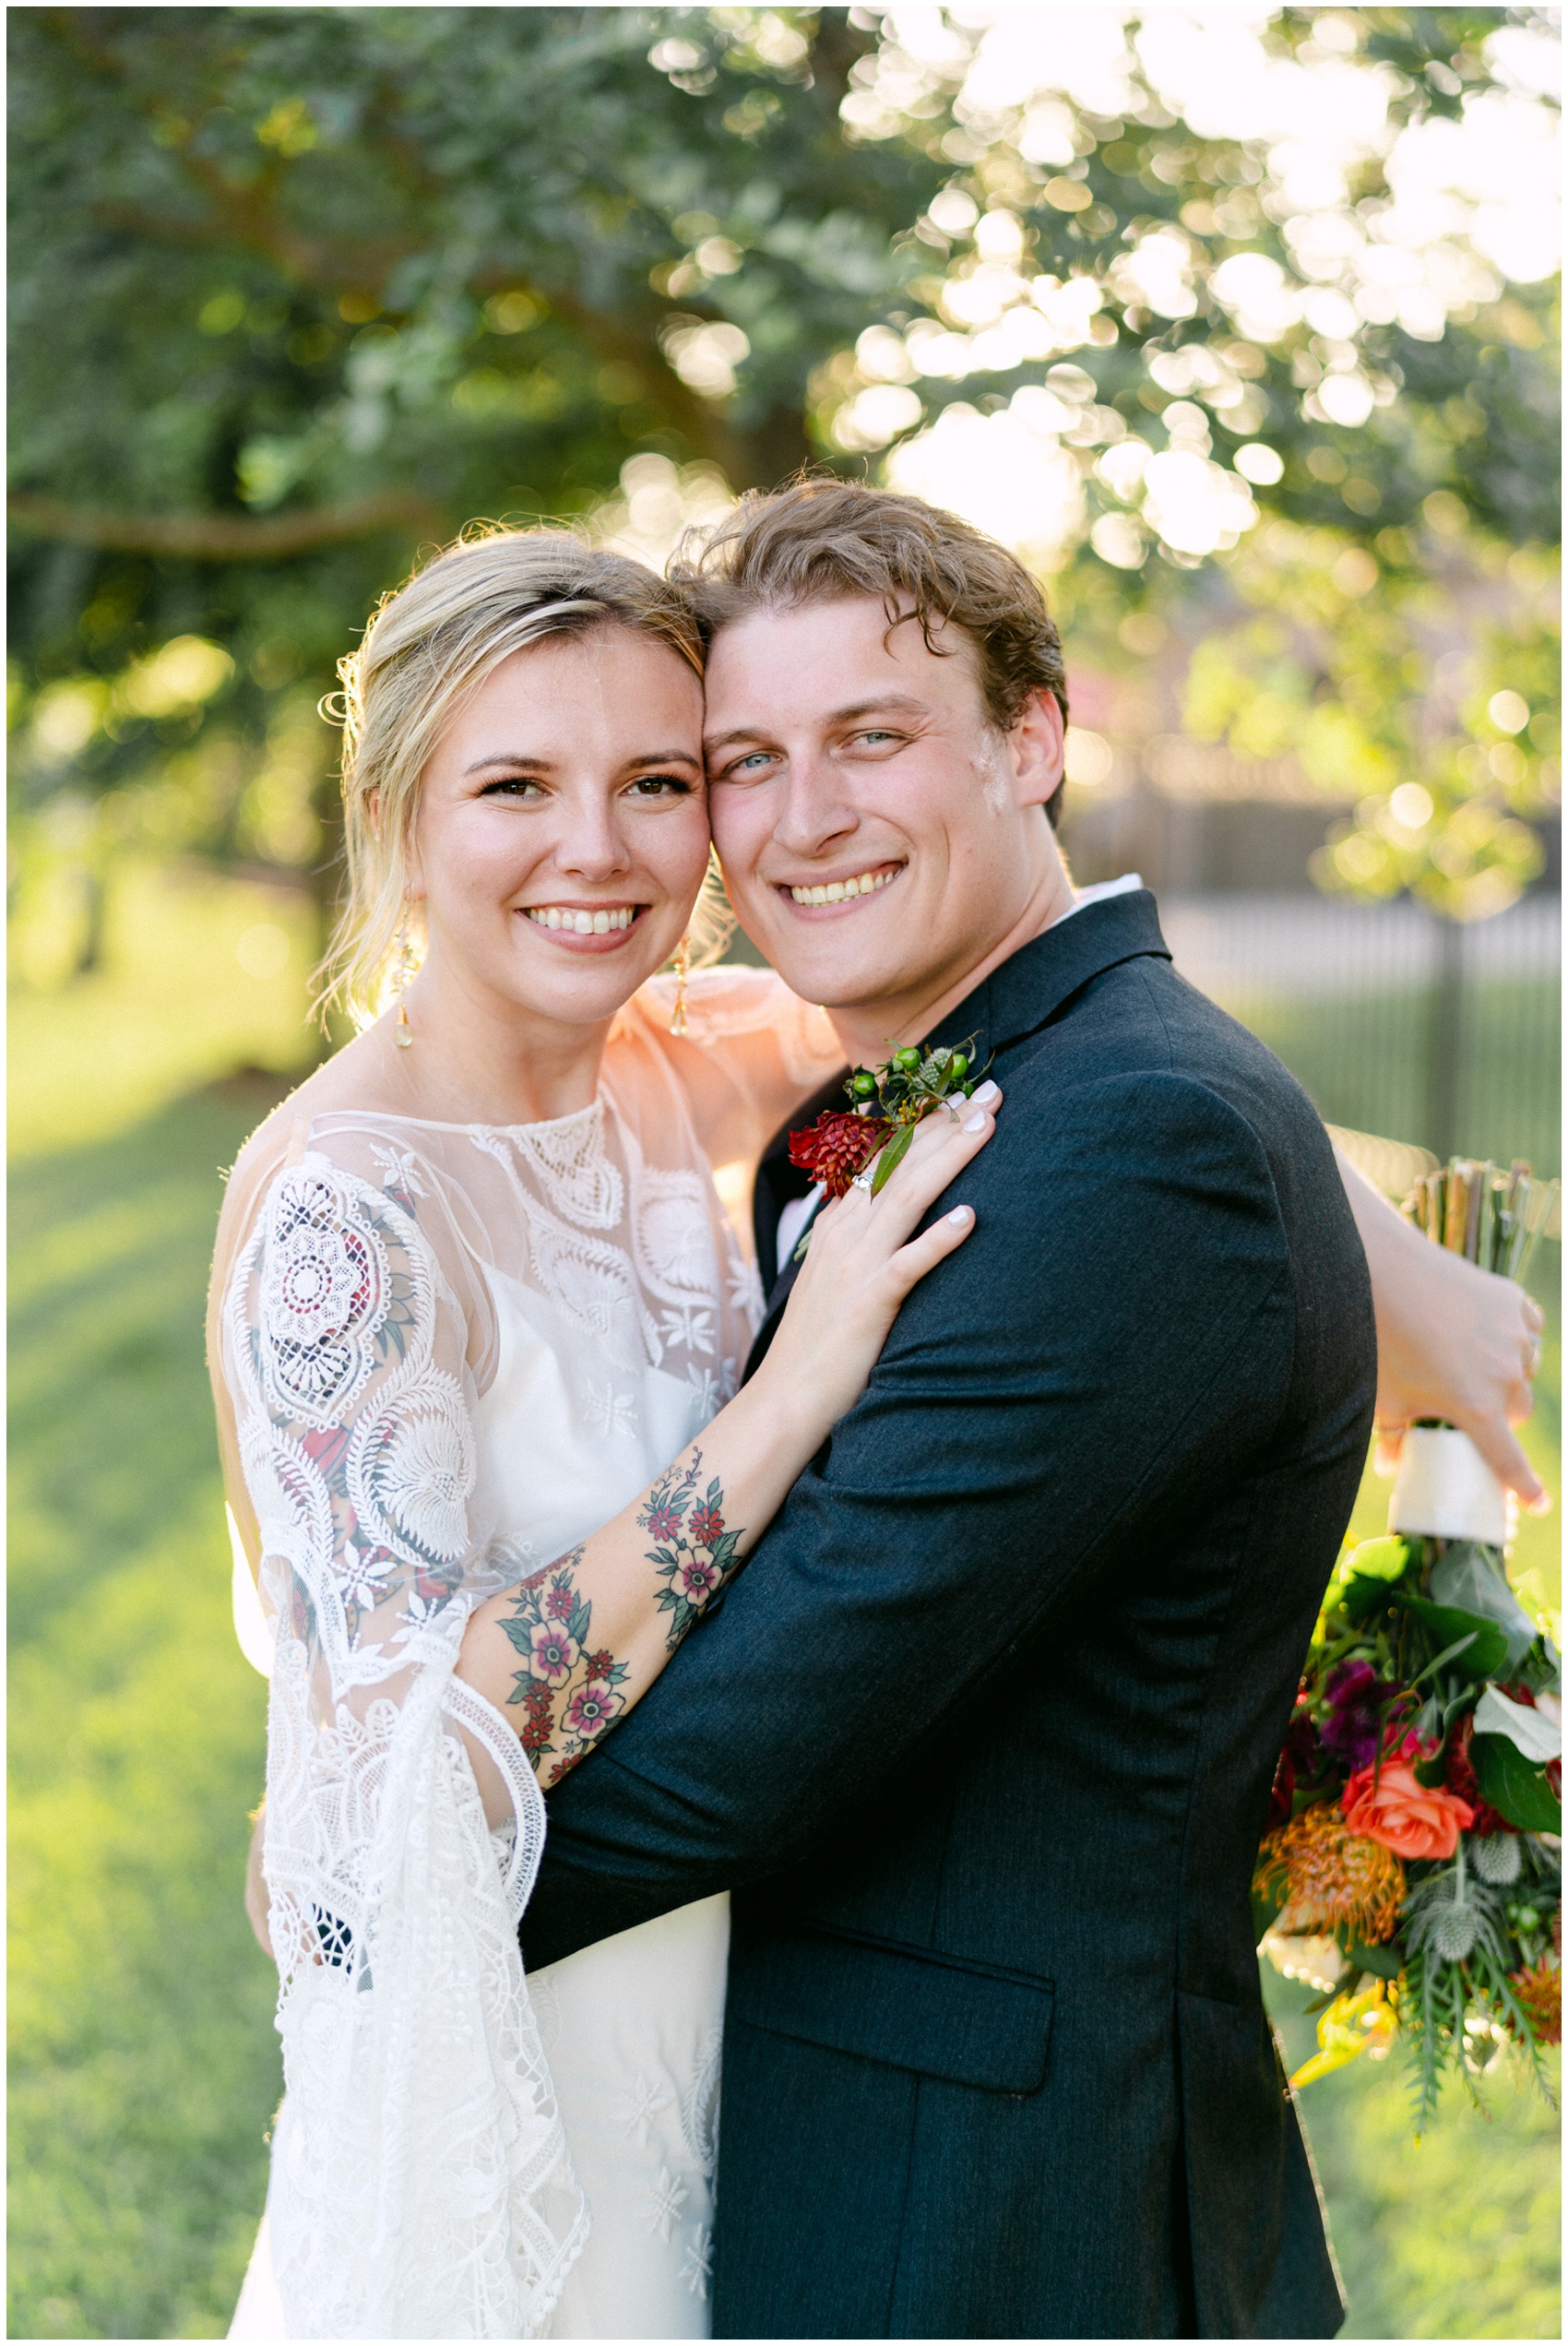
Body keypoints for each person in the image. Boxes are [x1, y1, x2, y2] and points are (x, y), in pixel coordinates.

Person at [516, 481, 1547, 2340]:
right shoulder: (908, 1098)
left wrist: (407, 1887)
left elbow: (792, 1708)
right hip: (873, 2149)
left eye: (871, 739)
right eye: (743, 761)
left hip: (991, 2211)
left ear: (1034, 737)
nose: (801, 817)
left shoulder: (1135, 1139)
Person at [211, 530, 1001, 2340]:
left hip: (730, 2013)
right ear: (399, 815)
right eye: (517, 785)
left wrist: (1409, 1287)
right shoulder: (352, 1213)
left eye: (657, 781)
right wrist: (794, 1390)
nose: (603, 849)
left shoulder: (694, 1058)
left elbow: (1031, 1001)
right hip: (507, 2092)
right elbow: (403, 1781)